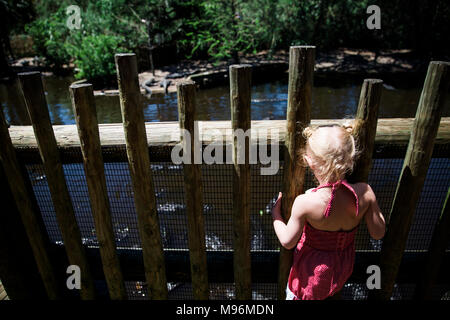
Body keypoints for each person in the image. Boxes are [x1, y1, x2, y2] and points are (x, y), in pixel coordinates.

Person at [271, 123, 386, 300]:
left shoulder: (306, 202)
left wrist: (276, 216)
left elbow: (287, 241)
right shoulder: (365, 193)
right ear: (350, 158)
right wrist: (371, 202)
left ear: (309, 161)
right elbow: (378, 233)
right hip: (342, 267)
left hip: (310, 273)